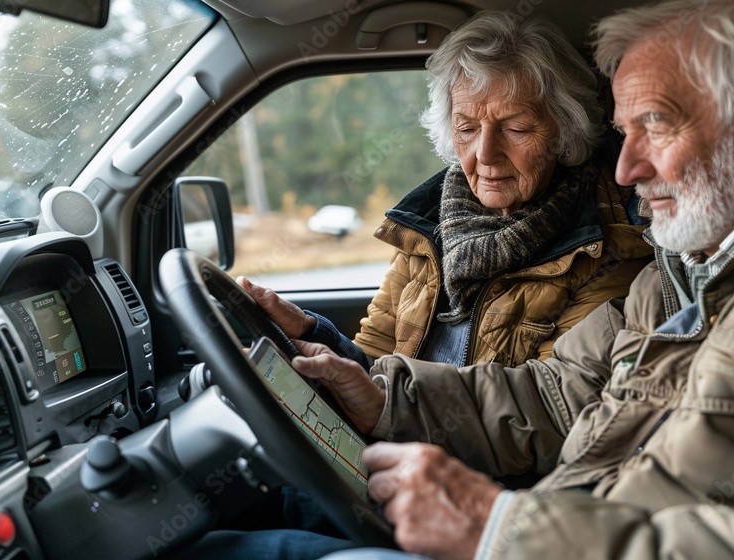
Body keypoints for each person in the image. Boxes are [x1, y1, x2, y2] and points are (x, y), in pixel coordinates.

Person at [247, 0, 734, 558]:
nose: (625, 170)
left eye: (655, 124)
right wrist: (382, 397)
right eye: (627, 131)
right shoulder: (682, 270)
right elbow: (560, 394)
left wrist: (503, 530)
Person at [238, 10, 651, 371]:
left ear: (564, 129)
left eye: (517, 128)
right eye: (467, 128)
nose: (485, 154)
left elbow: (536, 413)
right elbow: (375, 366)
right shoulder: (428, 224)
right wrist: (310, 332)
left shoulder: (606, 252)